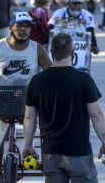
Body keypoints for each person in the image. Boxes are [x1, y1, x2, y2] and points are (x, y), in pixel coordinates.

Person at [0, 12, 52, 182]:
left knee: (42, 127)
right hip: (1, 99)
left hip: (28, 100)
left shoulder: (37, 48)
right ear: (11, 28)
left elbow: (50, 71)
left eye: (28, 26)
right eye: (20, 25)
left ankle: (31, 153)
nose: (24, 29)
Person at [23, 32, 105, 182]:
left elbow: (29, 117)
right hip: (79, 153)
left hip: (51, 153)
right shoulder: (84, 79)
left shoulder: (37, 81)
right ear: (73, 52)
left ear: (51, 52)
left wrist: (27, 145)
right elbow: (96, 115)